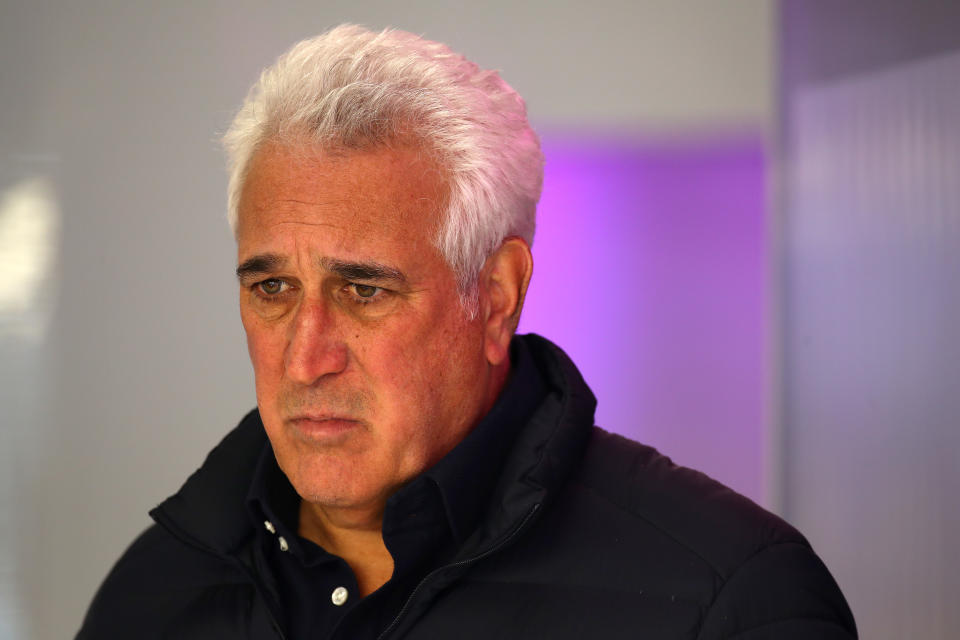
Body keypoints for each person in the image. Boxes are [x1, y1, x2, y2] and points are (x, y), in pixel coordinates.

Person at [77, 24, 857, 639]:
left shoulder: (732, 600)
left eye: (362, 290)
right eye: (274, 288)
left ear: (496, 294)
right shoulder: (153, 595)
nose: (305, 357)